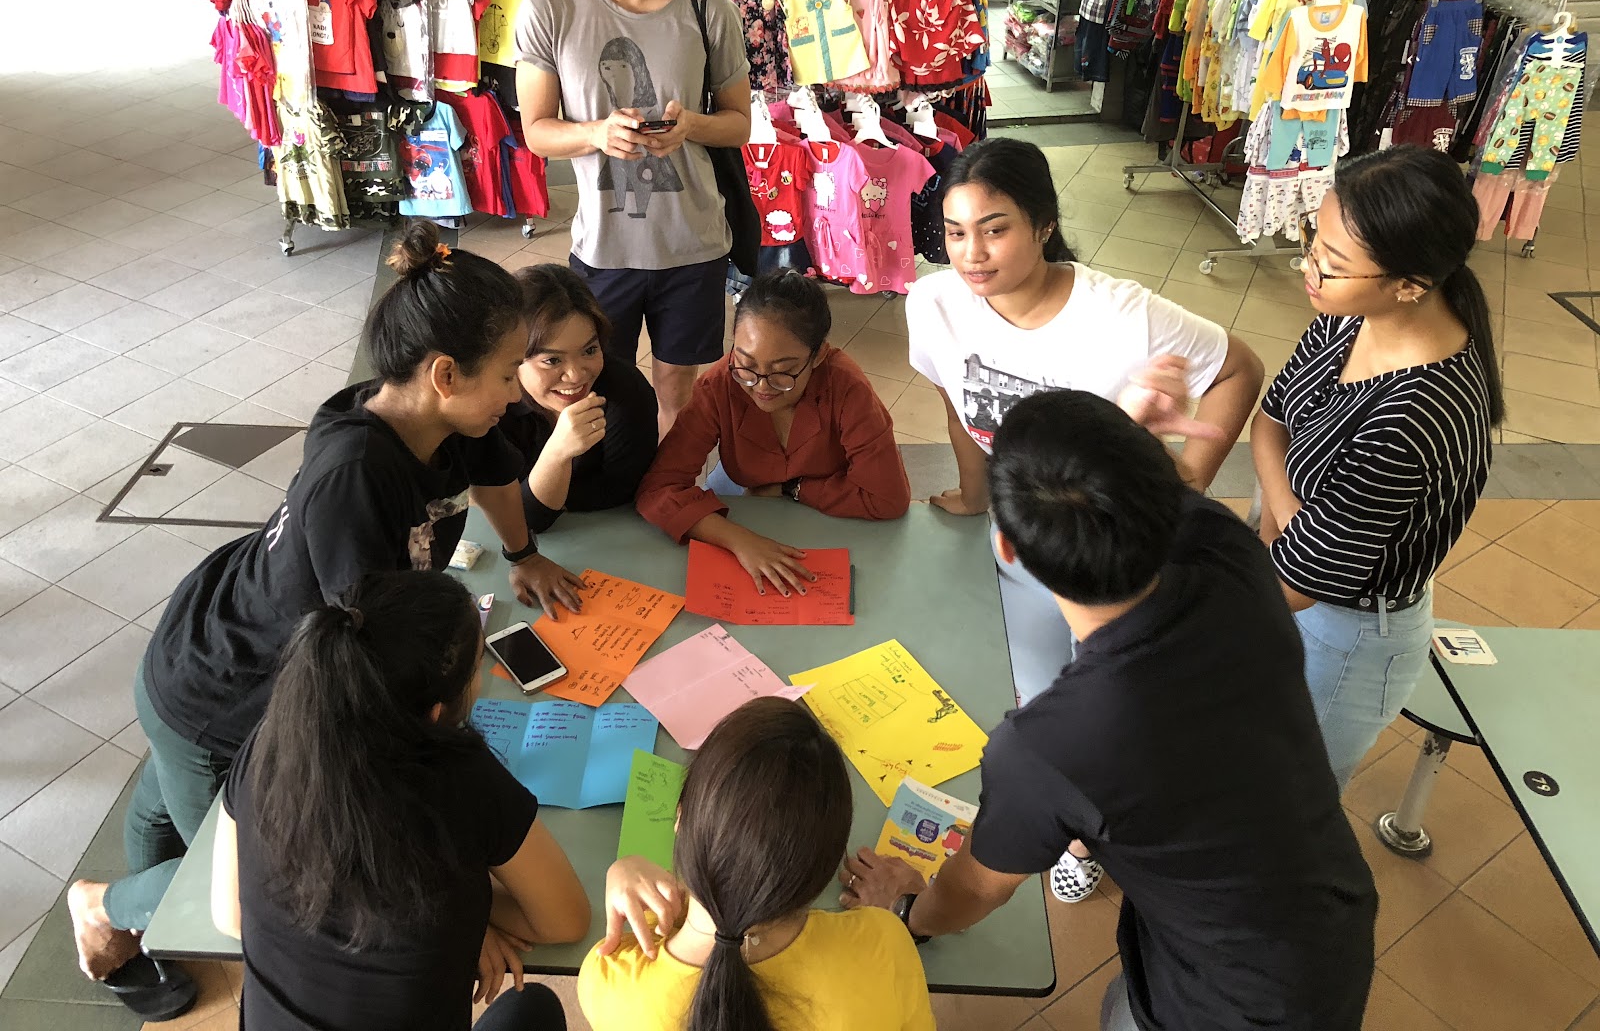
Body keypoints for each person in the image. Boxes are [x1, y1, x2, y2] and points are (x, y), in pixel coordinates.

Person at [68, 227, 548, 989]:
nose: (519, 390)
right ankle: (104, 905)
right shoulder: (355, 477)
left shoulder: (452, 419)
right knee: (251, 882)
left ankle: (143, 895)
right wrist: (465, 907)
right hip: (226, 688)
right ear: (446, 374)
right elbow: (363, 686)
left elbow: (493, 480)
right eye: (508, 373)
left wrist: (524, 555)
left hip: (228, 634)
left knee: (169, 793)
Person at [839, 389, 1378, 1031]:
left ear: (1007, 548)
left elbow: (976, 887)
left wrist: (906, 913)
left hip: (1226, 1008)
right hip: (1328, 919)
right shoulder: (1229, 554)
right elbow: (1171, 497)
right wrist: (1132, 452)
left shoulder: (1052, 747)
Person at [906, 137, 1263, 900]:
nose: (971, 254)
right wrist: (973, 493)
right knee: (1042, 691)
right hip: (1023, 543)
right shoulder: (932, 304)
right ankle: (1070, 830)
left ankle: (1107, 828)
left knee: (1122, 700)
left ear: (1044, 224)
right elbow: (954, 401)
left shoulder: (1120, 316)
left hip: (1114, 552)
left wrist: (1184, 480)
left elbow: (1240, 368)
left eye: (995, 229)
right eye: (956, 231)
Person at [210, 569, 589, 1030]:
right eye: (475, 671)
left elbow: (230, 915)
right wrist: (466, 922)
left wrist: (447, 925)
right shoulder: (461, 777)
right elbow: (564, 920)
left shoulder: (272, 742)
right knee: (535, 1008)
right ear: (435, 713)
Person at [1251, 145, 1501, 789]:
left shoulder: (1411, 418)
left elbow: (1305, 583)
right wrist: (1288, 525)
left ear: (1409, 283)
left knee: (1290, 794)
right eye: (1313, 243)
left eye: (1331, 264)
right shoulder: (1351, 317)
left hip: (1347, 630)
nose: (1308, 268)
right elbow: (1270, 421)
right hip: (1287, 567)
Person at [514, 0, 753, 436]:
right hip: (603, 248)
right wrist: (596, 133)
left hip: (692, 244)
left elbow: (739, 124)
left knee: (678, 388)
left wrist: (691, 126)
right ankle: (605, 479)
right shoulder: (549, 9)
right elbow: (537, 131)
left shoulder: (709, 8)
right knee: (595, 389)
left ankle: (671, 481)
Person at [577, 697, 936, 1031]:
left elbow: (711, 923)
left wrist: (624, 868)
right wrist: (889, 917)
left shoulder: (609, 979)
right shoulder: (883, 943)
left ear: (680, 816)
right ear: (825, 869)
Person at [636, 270, 911, 594]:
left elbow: (887, 498)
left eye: (783, 371)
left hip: (824, 507)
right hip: (743, 488)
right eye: (746, 363)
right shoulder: (720, 383)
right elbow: (659, 488)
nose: (761, 387)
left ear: (818, 356)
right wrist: (739, 540)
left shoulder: (846, 388)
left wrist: (791, 489)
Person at [497, 263, 660, 616]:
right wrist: (558, 453)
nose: (575, 375)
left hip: (616, 543)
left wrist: (546, 492)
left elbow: (623, 489)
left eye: (589, 350)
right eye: (552, 360)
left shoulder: (626, 393)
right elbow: (524, 521)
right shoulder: (495, 407)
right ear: (512, 360)